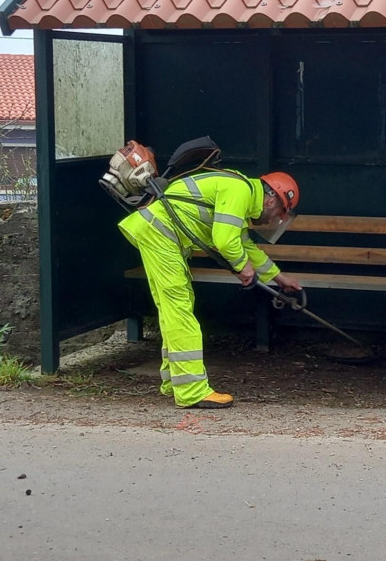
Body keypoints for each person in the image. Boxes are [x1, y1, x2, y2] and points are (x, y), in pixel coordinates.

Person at [118, 166, 301, 409]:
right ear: (270, 200)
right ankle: (192, 390)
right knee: (180, 311)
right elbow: (225, 241)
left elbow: (244, 245)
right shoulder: (240, 190)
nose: (276, 220)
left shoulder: (240, 189)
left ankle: (174, 381)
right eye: (280, 212)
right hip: (160, 236)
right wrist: (243, 268)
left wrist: (278, 277)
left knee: (173, 310)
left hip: (156, 234)